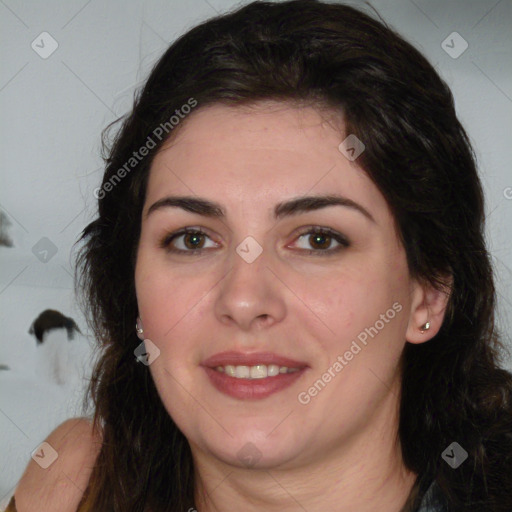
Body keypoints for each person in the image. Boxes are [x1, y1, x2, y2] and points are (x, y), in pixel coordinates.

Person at [10, 1, 512, 510]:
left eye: (318, 239)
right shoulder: (75, 487)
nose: (244, 300)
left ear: (427, 294)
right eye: (192, 239)